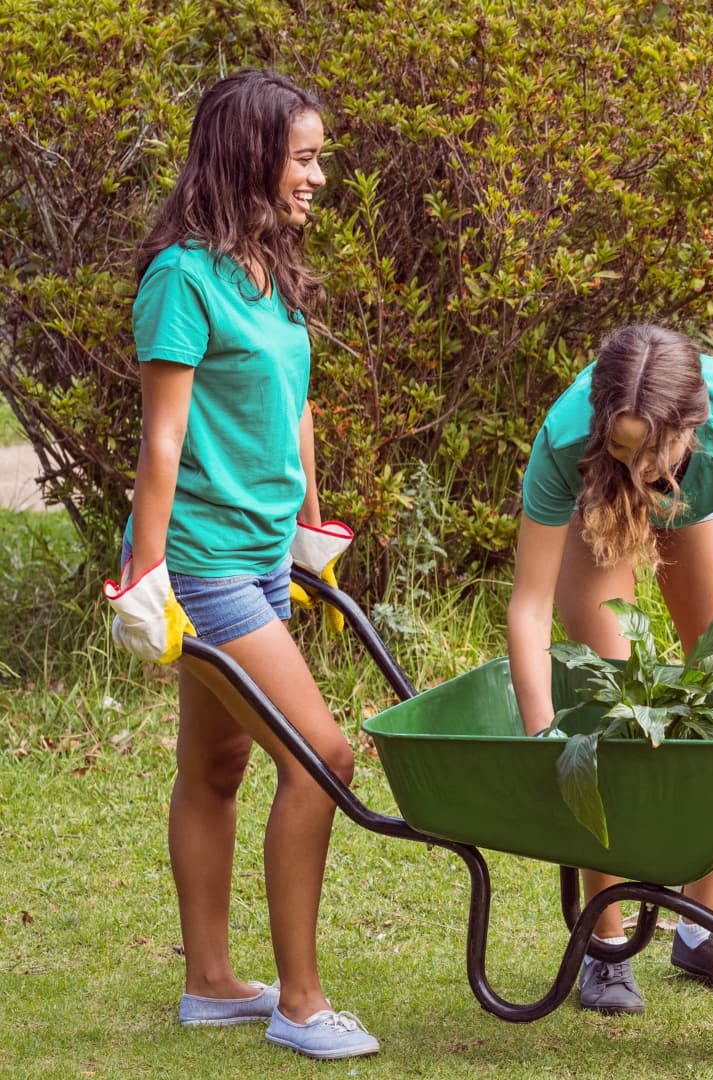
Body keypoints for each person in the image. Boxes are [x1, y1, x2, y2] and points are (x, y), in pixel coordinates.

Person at [102, 69, 380, 1059]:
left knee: (215, 768)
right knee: (324, 758)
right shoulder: (182, 278)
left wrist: (311, 529)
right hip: (208, 567)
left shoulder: (269, 265)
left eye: (318, 159)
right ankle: (300, 1004)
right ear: (252, 155)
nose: (318, 176)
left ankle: (213, 984)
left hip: (264, 558)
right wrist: (146, 574)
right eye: (304, 157)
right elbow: (162, 442)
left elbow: (297, 410)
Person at [507, 323, 713, 1009]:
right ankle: (607, 945)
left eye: (656, 449)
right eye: (625, 445)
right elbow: (529, 610)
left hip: (707, 501)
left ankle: (699, 927)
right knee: (606, 704)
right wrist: (543, 738)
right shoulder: (566, 438)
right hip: (597, 503)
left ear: (692, 423)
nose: (642, 467)